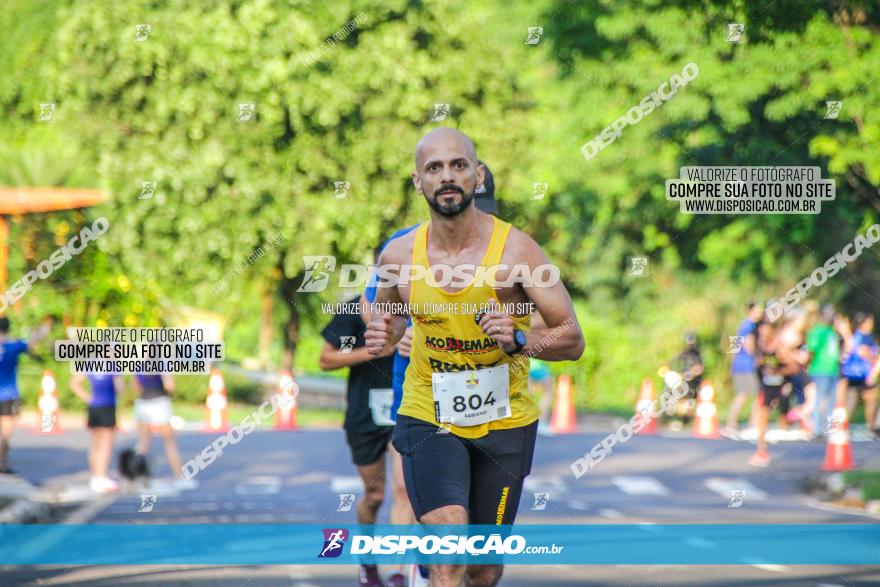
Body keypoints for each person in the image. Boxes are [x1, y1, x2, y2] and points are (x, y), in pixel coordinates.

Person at [365, 127, 585, 587]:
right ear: (418, 182)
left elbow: (572, 337)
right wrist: (387, 334)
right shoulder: (399, 255)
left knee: (482, 567)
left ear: (477, 176)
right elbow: (390, 323)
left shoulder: (518, 250)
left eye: (458, 165)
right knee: (449, 545)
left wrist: (522, 340)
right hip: (429, 411)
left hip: (505, 421)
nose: (447, 177)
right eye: (434, 168)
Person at [361, 162, 501, 587]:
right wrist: (398, 329)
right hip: (423, 398)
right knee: (431, 508)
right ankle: (425, 572)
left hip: (494, 404)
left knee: (482, 550)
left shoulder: (507, 247)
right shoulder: (404, 248)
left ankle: (443, 570)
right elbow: (374, 308)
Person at [319, 293, 397, 587]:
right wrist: (374, 352)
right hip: (365, 414)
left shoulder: (422, 303)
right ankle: (367, 558)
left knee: (406, 489)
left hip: (408, 410)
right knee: (375, 495)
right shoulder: (355, 309)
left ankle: (405, 571)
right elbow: (325, 359)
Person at [0, 316, 51, 474]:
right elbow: (31, 342)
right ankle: (2, 463)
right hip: (8, 395)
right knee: (5, 432)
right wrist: (42, 330)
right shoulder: (13, 346)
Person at [133, 372, 193, 489]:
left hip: (143, 402)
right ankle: (179, 476)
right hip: (159, 402)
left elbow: (136, 386)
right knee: (169, 442)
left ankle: (137, 477)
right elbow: (169, 385)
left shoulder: (139, 363)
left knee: (143, 443)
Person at [71, 372, 122, 493]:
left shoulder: (91, 364)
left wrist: (88, 398)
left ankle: (95, 476)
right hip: (107, 405)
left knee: (95, 443)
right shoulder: (113, 366)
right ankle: (101, 476)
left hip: (94, 407)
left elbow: (74, 383)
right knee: (106, 443)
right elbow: (120, 388)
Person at [723, 302, 763, 438]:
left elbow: (733, 347)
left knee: (742, 395)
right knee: (757, 395)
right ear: (751, 311)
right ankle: (753, 424)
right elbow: (749, 345)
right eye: (759, 309)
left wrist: (733, 364)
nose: (761, 312)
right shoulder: (751, 326)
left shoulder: (741, 325)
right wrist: (759, 356)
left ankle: (731, 424)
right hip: (748, 365)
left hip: (739, 365)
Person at [805, 304, 840, 437]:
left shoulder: (832, 331)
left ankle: (830, 430)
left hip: (833, 370)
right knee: (820, 399)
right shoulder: (817, 331)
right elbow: (811, 350)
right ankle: (817, 428)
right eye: (829, 312)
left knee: (832, 401)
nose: (831, 315)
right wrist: (808, 365)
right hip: (820, 369)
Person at [839, 312, 877, 428]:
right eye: (870, 322)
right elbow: (864, 352)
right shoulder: (866, 337)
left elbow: (844, 355)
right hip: (864, 374)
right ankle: (872, 429)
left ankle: (839, 428)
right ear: (865, 324)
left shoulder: (852, 336)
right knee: (870, 402)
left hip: (849, 374)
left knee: (849, 404)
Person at [669, 332, 703, 430]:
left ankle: (685, 419)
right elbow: (674, 361)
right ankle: (676, 418)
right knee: (675, 396)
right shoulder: (684, 352)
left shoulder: (696, 354)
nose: (690, 344)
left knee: (687, 400)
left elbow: (699, 368)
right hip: (683, 379)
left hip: (692, 382)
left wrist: (690, 374)